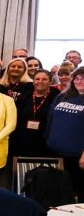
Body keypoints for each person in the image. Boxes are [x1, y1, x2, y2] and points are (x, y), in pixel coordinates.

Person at [45, 67, 84, 200]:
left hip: (77, 157)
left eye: (83, 78)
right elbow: (50, 117)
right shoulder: (63, 96)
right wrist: (47, 138)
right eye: (77, 78)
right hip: (54, 152)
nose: (80, 81)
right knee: (57, 191)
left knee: (77, 192)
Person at [11, 70, 59, 158]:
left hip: (44, 144)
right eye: (37, 79)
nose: (40, 81)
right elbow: (16, 120)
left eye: (44, 79)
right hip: (22, 142)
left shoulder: (56, 98)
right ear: (33, 81)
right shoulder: (23, 97)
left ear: (50, 81)